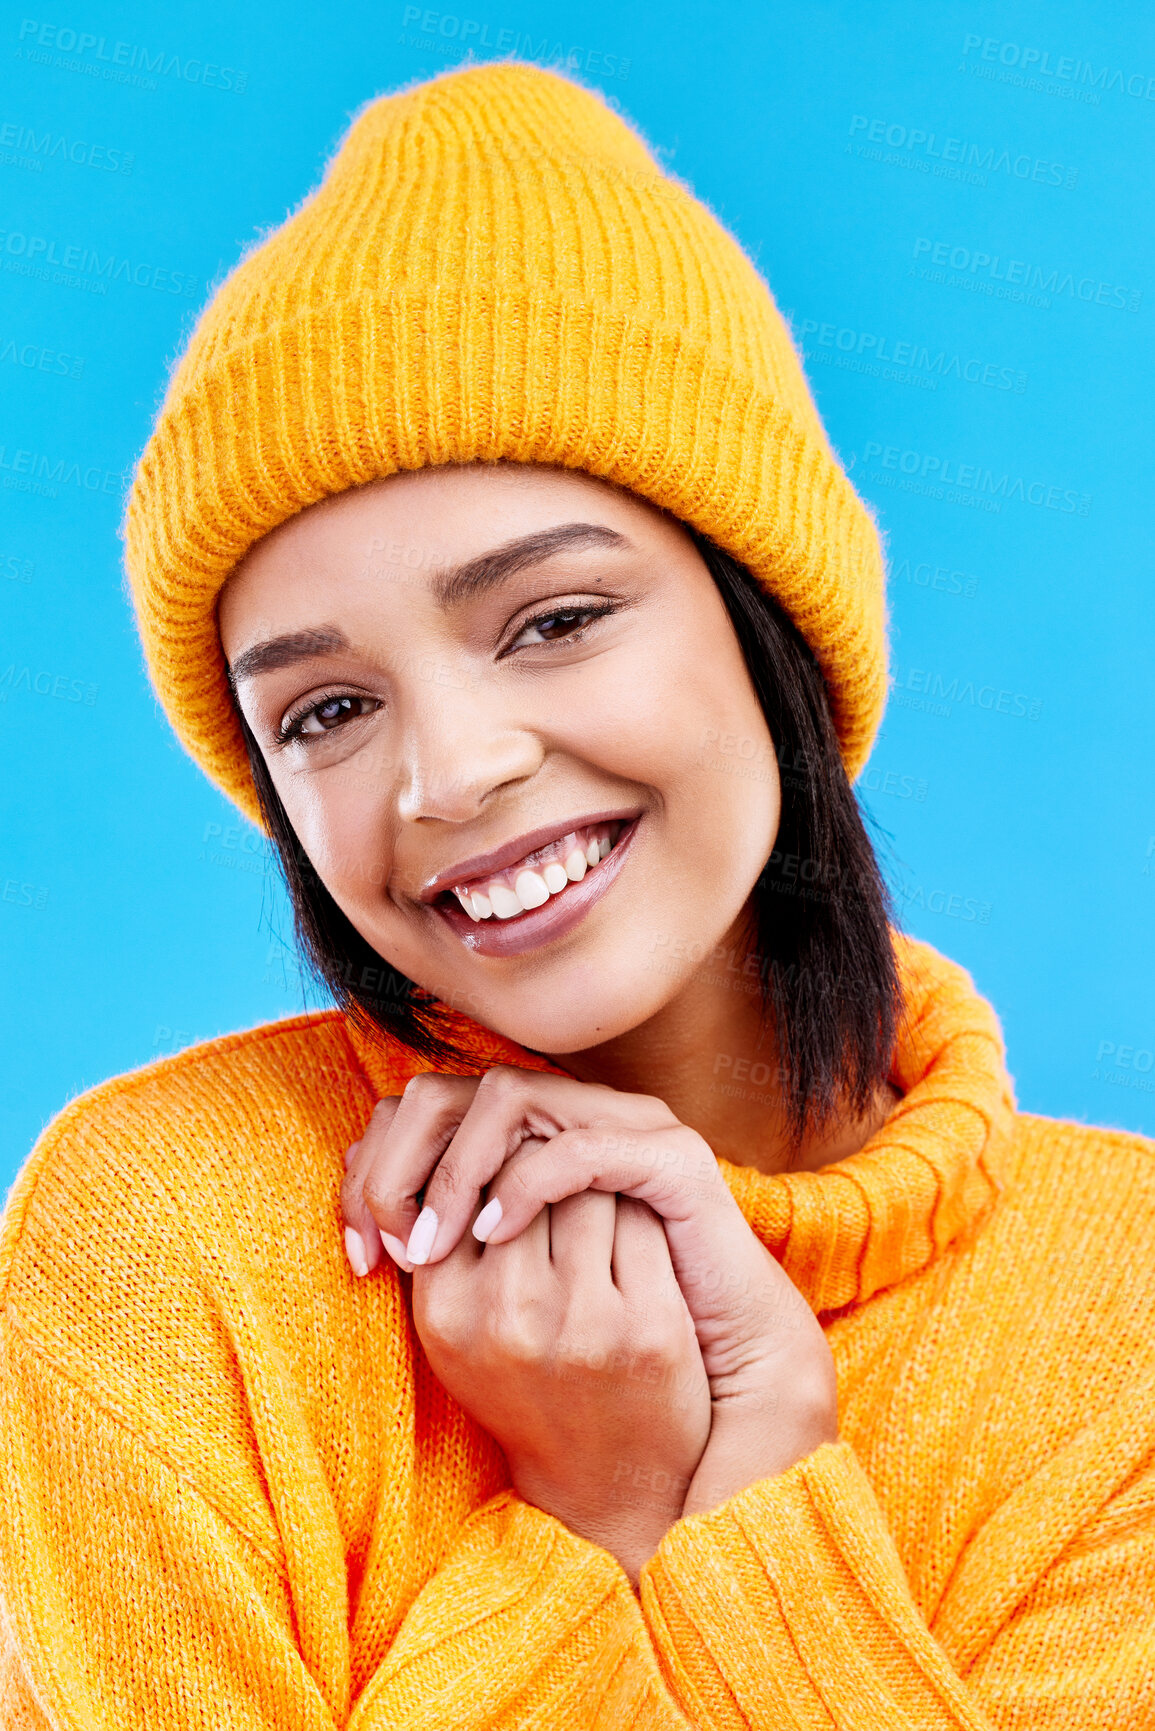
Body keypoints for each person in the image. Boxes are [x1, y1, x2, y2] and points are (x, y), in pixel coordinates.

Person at [1, 60, 1152, 1731]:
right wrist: (586, 1520)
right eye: (326, 711)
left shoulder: (1121, 1315)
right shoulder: (167, 1240)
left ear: (771, 630)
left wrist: (757, 1490)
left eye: (552, 620)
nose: (448, 773)